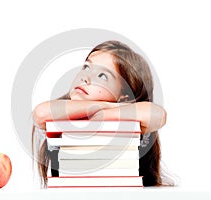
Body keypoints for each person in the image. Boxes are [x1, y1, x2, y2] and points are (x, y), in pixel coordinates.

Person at [32, 40, 167, 188]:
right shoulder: (60, 111)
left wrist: (105, 112)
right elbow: (40, 113)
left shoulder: (128, 118)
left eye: (102, 76)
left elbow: (157, 115)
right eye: (86, 67)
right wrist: (102, 106)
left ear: (124, 96)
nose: (85, 77)